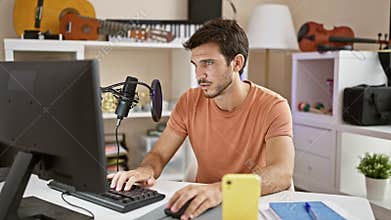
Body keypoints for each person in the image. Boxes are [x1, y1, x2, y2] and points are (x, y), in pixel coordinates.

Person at [108, 19, 294, 220]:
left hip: (249, 205)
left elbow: (281, 173)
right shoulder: (189, 101)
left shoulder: (274, 106)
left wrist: (222, 190)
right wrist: (146, 170)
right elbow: (159, 155)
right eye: (195, 65)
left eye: (208, 63)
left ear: (237, 63)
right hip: (200, 206)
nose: (199, 75)